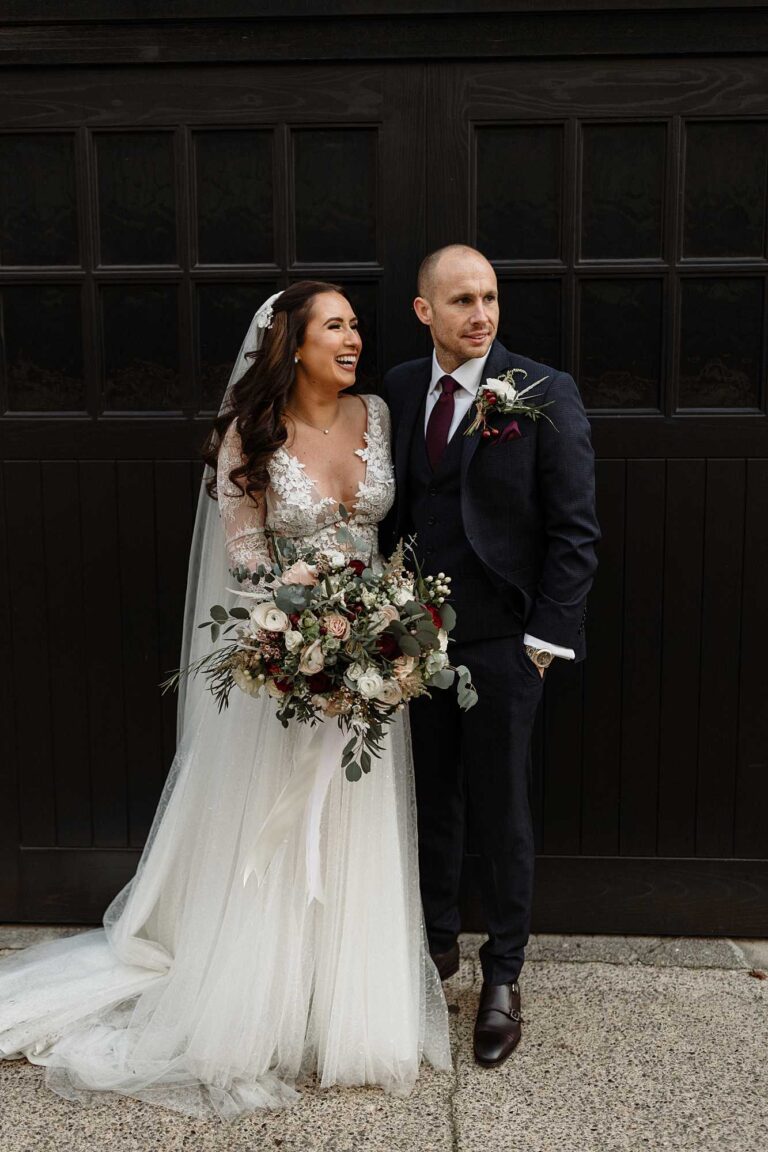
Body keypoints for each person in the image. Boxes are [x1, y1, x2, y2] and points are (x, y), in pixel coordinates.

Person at [0, 281, 450, 1120]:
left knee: (357, 826)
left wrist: (382, 629)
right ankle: (259, 1004)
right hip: (286, 668)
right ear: (292, 343)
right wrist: (312, 633)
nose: (354, 339)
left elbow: (384, 539)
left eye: (356, 324)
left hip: (369, 672)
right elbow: (244, 565)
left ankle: (346, 1010)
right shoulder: (248, 434)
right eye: (335, 326)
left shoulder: (377, 416)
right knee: (273, 835)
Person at [380, 245, 600, 1068]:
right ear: (423, 310)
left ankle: (503, 975)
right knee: (431, 801)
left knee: (502, 809)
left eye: (491, 298)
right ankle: (436, 952)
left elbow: (575, 532)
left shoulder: (542, 392)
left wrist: (544, 642)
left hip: (506, 645)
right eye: (463, 300)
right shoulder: (400, 388)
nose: (482, 314)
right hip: (413, 644)